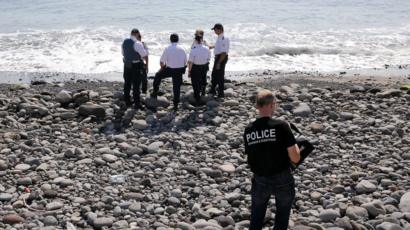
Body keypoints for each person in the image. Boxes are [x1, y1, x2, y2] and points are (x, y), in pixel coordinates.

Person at [243, 89, 301, 230]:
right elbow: (295, 157)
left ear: (257, 106)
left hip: (260, 178)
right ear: (272, 104)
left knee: (256, 219)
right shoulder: (281, 126)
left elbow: (251, 156)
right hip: (282, 177)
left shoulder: (249, 129)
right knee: (281, 219)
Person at [151, 33, 187, 111]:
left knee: (158, 75)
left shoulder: (168, 48)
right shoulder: (182, 49)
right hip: (179, 70)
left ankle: (155, 92)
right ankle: (176, 105)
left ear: (170, 40)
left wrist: (162, 68)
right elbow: (185, 62)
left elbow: (161, 61)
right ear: (178, 40)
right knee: (176, 87)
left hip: (170, 69)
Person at [121, 28, 148, 109]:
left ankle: (127, 100)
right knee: (136, 85)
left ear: (131, 33)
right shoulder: (137, 43)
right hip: (135, 65)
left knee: (127, 83)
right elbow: (144, 55)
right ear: (137, 34)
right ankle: (137, 103)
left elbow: (123, 53)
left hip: (126, 65)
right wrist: (146, 64)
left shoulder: (125, 41)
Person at [188, 33, 211, 105]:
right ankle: (203, 92)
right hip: (204, 66)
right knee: (203, 78)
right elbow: (208, 58)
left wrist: (189, 71)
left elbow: (190, 62)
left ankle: (197, 97)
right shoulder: (207, 48)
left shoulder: (193, 50)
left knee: (195, 82)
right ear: (202, 40)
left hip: (196, 67)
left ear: (195, 40)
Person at [209, 23, 230, 98]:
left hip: (221, 58)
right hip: (219, 57)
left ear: (219, 29)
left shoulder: (223, 38)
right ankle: (212, 89)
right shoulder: (220, 37)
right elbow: (220, 46)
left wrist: (219, 63)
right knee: (214, 74)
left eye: (215, 30)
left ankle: (221, 93)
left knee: (220, 76)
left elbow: (224, 52)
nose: (214, 31)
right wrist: (212, 46)